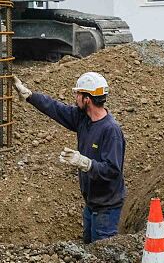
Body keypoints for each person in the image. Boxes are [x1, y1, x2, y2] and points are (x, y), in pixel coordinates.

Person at [13, 72, 125, 243]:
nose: (75, 97)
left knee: (103, 254)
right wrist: (30, 95)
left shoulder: (111, 130)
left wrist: (85, 163)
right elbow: (56, 108)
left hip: (107, 208)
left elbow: (112, 170)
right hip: (91, 204)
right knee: (89, 249)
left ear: (87, 98)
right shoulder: (84, 119)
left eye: (78, 94)